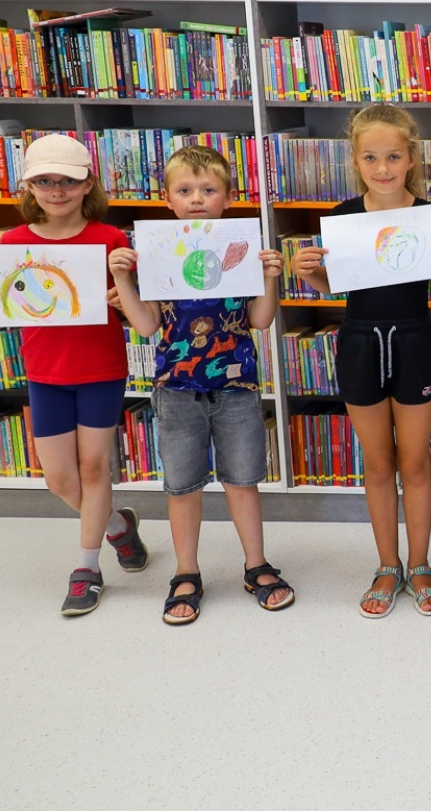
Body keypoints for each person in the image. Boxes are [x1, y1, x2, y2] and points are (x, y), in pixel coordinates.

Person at [293, 106, 431, 617]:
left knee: (414, 465)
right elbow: (336, 287)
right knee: (378, 465)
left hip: (416, 340)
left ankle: (420, 565)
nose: (383, 167)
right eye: (371, 157)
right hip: (358, 342)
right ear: (355, 159)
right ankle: (387, 565)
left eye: (394, 156)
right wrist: (309, 276)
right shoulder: (345, 216)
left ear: (411, 158)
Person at [0, 134, 149, 615]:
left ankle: (87, 568)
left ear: (88, 184)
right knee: (60, 479)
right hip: (45, 371)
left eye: (67, 180)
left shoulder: (110, 239)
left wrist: (121, 298)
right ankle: (119, 528)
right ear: (30, 187)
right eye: (45, 181)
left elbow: (137, 308)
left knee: (93, 468)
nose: (56, 190)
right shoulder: (14, 243)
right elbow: (7, 307)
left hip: (101, 368)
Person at [108, 145, 295, 623]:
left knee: (242, 481)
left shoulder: (240, 249)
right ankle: (186, 572)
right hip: (176, 390)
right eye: (185, 191)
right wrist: (124, 279)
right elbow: (147, 327)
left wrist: (271, 278)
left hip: (237, 389)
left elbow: (260, 318)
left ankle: (256, 565)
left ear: (228, 198)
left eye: (208, 190)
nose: (196, 199)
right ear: (168, 200)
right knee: (183, 486)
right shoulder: (156, 254)